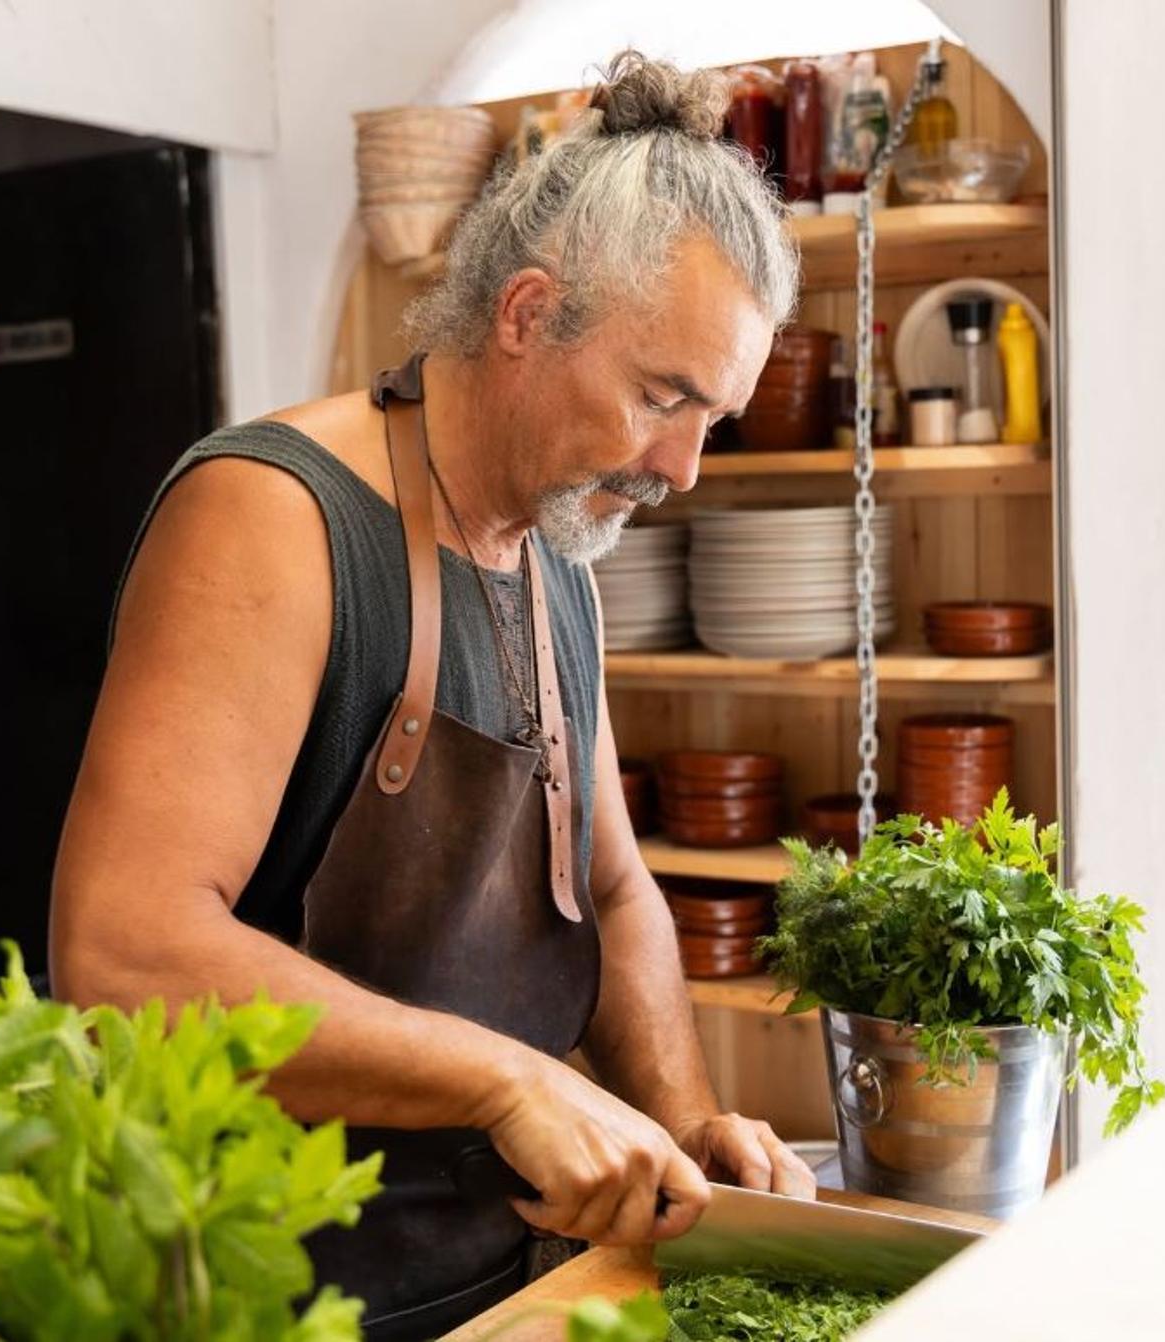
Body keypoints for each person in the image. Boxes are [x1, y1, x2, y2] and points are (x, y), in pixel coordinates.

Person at [50, 49, 814, 1340]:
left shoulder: (557, 557)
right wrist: (505, 1079)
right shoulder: (272, 514)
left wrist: (687, 1125)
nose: (684, 467)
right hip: (268, 1300)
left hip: (507, 1285)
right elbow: (122, 949)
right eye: (661, 396)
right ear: (526, 313)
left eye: (713, 417)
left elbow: (613, 891)